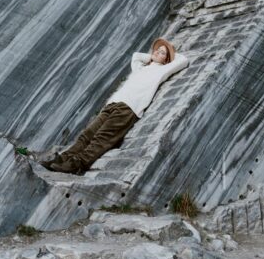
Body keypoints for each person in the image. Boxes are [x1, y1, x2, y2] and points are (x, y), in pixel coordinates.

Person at [42, 37, 188, 174]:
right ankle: (63, 159)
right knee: (87, 134)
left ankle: (76, 164)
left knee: (101, 138)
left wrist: (170, 53)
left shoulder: (162, 70)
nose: (157, 52)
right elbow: (136, 56)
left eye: (162, 53)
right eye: (157, 50)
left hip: (128, 108)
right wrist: (151, 57)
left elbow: (183, 60)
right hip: (112, 104)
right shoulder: (140, 68)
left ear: (166, 60)